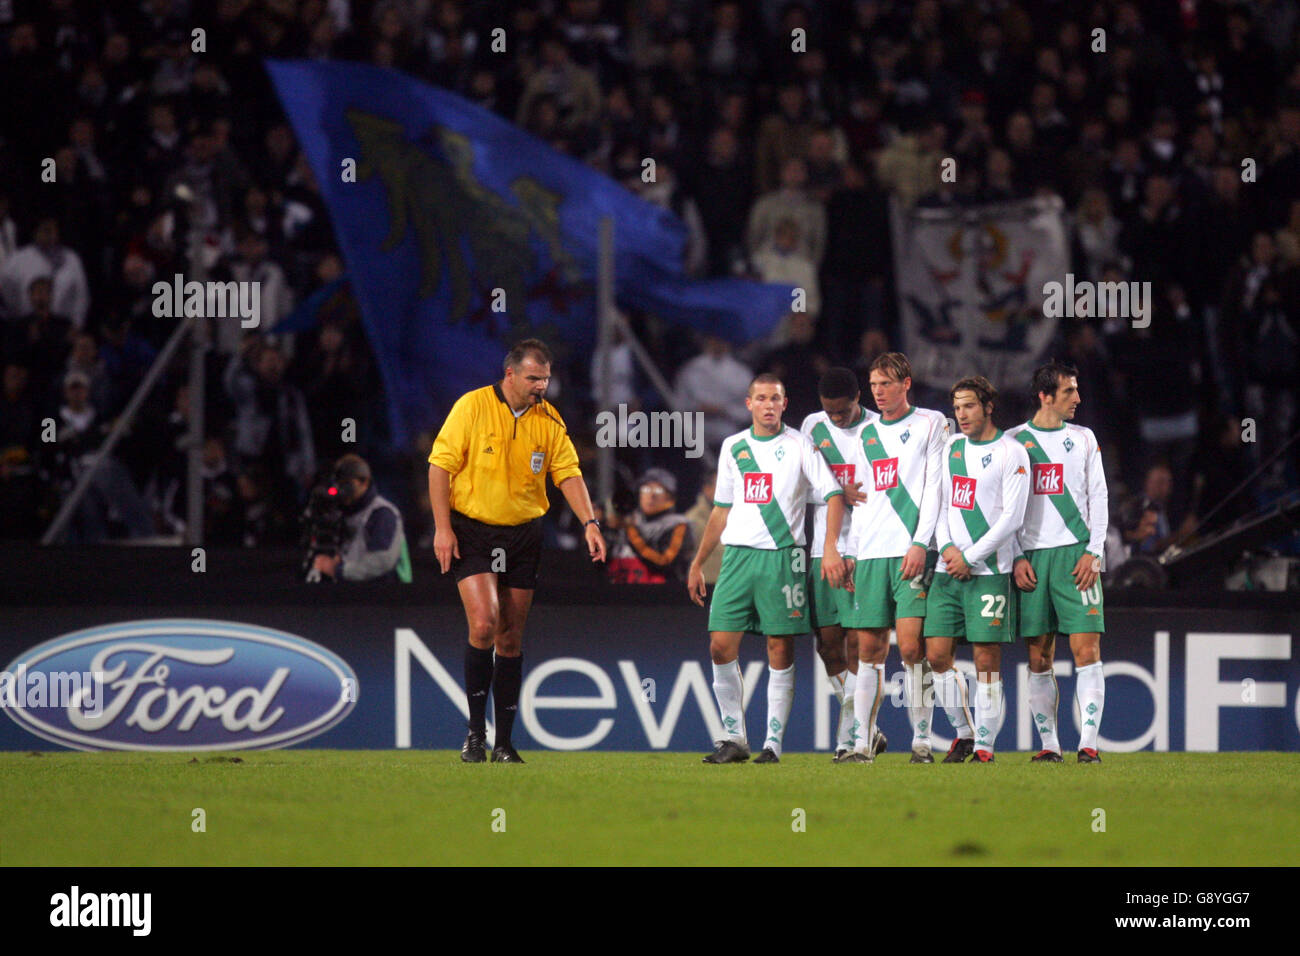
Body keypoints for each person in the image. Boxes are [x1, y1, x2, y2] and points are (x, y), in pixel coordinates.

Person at [428, 339, 606, 764]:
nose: (540, 386)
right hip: (474, 530)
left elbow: (569, 474)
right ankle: (475, 734)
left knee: (510, 637)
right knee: (485, 624)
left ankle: (504, 743)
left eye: (545, 379)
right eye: (532, 378)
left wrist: (590, 522)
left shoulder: (549, 420)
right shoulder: (472, 407)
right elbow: (439, 466)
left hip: (524, 534)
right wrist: (442, 529)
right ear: (510, 375)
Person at [687, 372, 847, 764]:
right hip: (737, 557)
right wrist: (697, 562)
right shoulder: (733, 446)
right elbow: (721, 510)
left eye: (775, 399)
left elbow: (833, 493)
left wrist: (829, 548)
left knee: (780, 647)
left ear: (784, 404)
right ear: (749, 404)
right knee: (720, 644)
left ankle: (773, 743)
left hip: (782, 556)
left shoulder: (800, 445)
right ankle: (734, 738)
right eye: (761, 399)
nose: (768, 405)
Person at [841, 353, 949, 763]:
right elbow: (859, 499)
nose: (879, 392)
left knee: (910, 648)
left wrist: (921, 542)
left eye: (886, 383)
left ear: (906, 383)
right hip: (870, 554)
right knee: (868, 650)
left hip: (911, 551)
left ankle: (922, 741)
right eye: (874, 386)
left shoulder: (932, 422)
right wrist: (850, 552)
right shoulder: (864, 435)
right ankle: (862, 744)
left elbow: (935, 487)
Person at [925, 376, 1030, 763]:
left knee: (986, 659)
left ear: (988, 406)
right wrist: (949, 549)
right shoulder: (951, 448)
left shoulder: (1012, 452)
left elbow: (1011, 519)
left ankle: (985, 747)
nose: (961, 415)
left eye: (968, 406)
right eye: (956, 408)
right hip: (946, 569)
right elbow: (940, 503)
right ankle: (965, 733)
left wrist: (970, 558)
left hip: (989, 571)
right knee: (936, 655)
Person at [1009, 362, 1109, 763]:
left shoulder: (1084, 439)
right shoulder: (1015, 442)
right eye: (1069, 391)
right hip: (1032, 558)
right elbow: (1005, 508)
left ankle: (1088, 744)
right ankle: (1050, 746)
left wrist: (1095, 551)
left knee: (1087, 650)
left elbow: (1099, 497)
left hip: (1076, 554)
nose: (1078, 399)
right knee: (1039, 656)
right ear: (1045, 397)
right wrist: (1015, 557)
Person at [799, 366, 881, 760]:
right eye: (829, 411)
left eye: (842, 411)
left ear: (858, 398)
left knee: (856, 644)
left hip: (866, 549)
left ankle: (852, 737)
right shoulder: (812, 427)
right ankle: (870, 728)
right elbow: (800, 483)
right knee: (827, 645)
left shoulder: (878, 430)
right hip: (822, 549)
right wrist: (835, 492)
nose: (835, 418)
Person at [308, 453, 409, 583]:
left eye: (347, 483)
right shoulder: (341, 513)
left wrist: (338, 570)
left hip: (384, 593)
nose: (341, 489)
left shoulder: (382, 513)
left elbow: (381, 561)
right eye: (339, 483)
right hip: (352, 591)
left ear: (365, 482)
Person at [606, 467, 694, 584]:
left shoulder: (678, 525)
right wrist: (603, 529)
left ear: (670, 497)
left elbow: (665, 562)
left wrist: (631, 532)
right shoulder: (629, 522)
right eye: (646, 489)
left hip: (663, 596)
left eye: (658, 490)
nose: (651, 495)